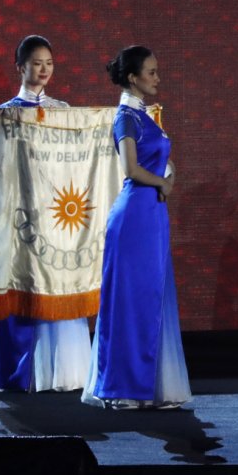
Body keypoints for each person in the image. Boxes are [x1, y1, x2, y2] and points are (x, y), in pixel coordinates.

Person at [82, 45, 191, 409]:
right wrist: (162, 183)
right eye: (152, 72)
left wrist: (169, 175)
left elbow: (162, 158)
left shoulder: (145, 116)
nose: (157, 78)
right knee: (129, 302)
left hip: (152, 216)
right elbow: (130, 169)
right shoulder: (126, 117)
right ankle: (120, 388)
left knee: (150, 299)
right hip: (134, 217)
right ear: (133, 77)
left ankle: (150, 386)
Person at [0, 34, 92, 392]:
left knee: (60, 285)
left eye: (49, 63)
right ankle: (27, 371)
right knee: (28, 291)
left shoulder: (63, 110)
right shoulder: (5, 114)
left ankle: (65, 370)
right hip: (22, 219)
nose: (44, 70)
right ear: (20, 67)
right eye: (36, 63)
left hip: (58, 219)